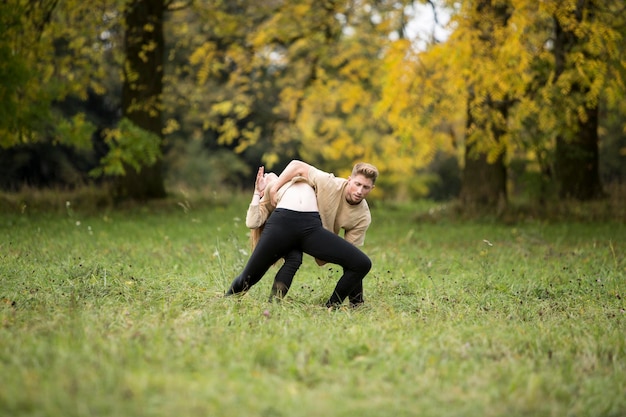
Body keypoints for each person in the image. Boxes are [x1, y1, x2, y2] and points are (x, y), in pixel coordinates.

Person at [225, 168, 373, 308]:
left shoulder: (298, 179)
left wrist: (356, 301)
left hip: (310, 228)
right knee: (250, 277)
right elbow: (252, 222)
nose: (268, 175)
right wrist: (258, 192)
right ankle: (235, 301)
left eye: (365, 186)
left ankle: (332, 306)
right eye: (265, 176)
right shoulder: (271, 194)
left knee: (359, 262)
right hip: (283, 223)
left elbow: (297, 165)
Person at [264, 159, 379, 305]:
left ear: (372, 188)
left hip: (317, 237)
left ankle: (341, 306)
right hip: (294, 220)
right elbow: (296, 165)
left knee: (356, 262)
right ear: (349, 180)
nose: (359, 191)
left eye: (366, 187)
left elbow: (350, 256)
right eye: (357, 184)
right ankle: (273, 304)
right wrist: (274, 188)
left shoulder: (363, 216)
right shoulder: (328, 182)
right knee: (294, 259)